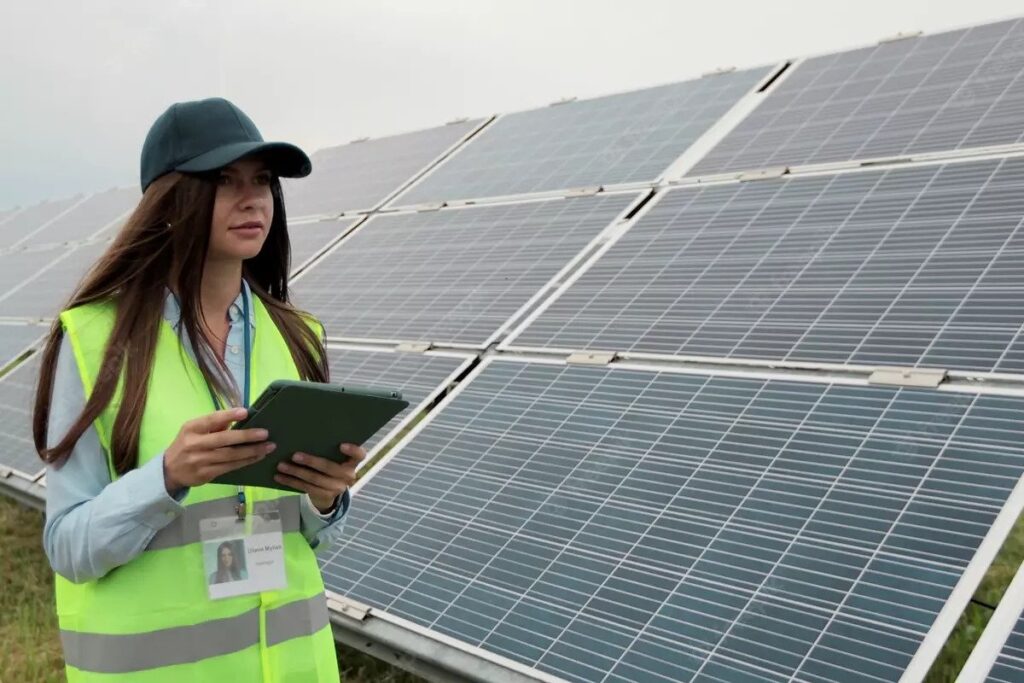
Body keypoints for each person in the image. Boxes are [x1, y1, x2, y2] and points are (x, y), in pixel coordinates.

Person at [33, 97, 362, 681]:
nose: (252, 198)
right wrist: (167, 478)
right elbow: (67, 547)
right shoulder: (93, 342)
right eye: (223, 180)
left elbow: (304, 539)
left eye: (261, 180)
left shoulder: (298, 336)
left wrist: (325, 499)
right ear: (171, 198)